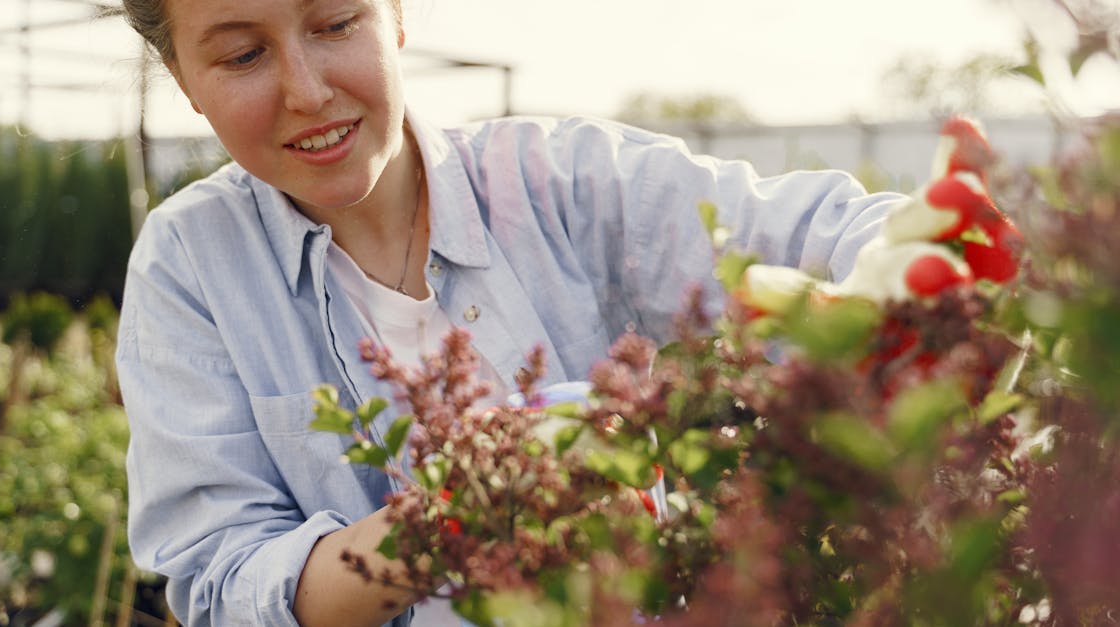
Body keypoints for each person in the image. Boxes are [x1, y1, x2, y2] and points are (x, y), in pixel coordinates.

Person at [114, 0, 905, 625]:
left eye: (335, 24)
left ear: (391, 13)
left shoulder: (563, 184)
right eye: (243, 54)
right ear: (183, 75)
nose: (308, 89)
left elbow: (835, 234)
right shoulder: (192, 266)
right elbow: (223, 584)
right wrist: (462, 511)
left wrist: (918, 257)